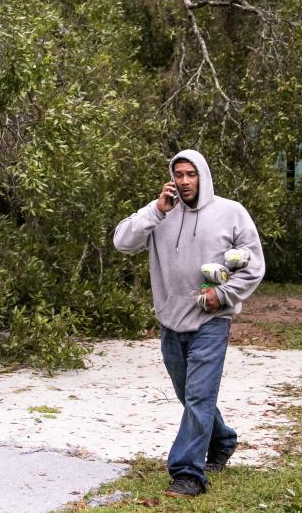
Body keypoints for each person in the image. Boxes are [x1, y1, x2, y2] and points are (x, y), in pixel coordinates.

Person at [113, 149, 265, 498]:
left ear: (203, 176)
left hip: (212, 320)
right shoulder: (160, 214)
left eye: (190, 174)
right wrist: (155, 210)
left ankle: (187, 474)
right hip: (171, 320)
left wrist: (224, 295)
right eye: (178, 174)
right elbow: (122, 241)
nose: (184, 181)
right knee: (188, 394)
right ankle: (222, 439)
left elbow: (254, 265)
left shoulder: (231, 213)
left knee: (198, 396)